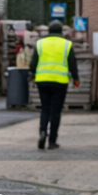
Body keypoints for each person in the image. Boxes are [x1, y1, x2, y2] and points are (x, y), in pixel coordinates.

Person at [32, 21, 79, 150]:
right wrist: (76, 79)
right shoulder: (67, 44)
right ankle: (52, 142)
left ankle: (42, 131)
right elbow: (72, 63)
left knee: (45, 109)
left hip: (42, 80)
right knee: (56, 112)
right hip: (60, 82)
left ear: (48, 31)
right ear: (61, 32)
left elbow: (33, 61)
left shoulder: (40, 43)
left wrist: (31, 74)